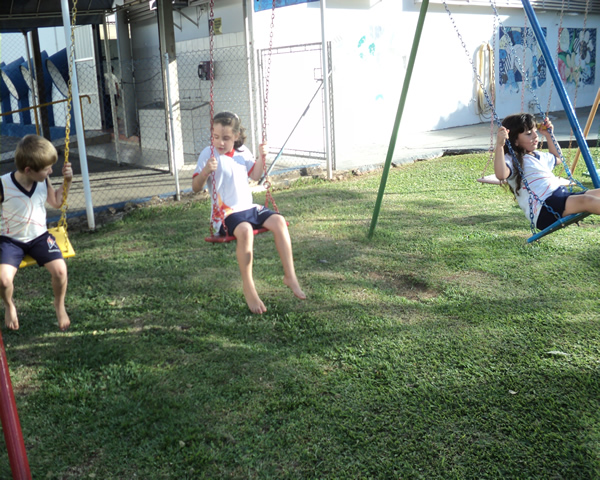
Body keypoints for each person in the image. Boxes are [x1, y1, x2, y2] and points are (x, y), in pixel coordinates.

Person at [192, 111, 306, 314]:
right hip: (225, 214)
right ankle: (248, 286)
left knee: (279, 221)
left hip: (248, 207)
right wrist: (205, 172)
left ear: (236, 136)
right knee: (244, 230)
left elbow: (255, 175)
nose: (220, 142)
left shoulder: (242, 151)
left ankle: (290, 276)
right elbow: (195, 187)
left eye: (226, 138)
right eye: (216, 137)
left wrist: (262, 157)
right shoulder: (207, 154)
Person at [0, 135, 73, 331]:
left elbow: (56, 202)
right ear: (28, 170)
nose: (51, 171)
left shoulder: (43, 180)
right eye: (47, 169)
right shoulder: (3, 185)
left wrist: (67, 182)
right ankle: (9, 305)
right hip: (11, 241)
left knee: (60, 271)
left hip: (40, 236)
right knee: (4, 280)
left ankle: (59, 305)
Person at [494, 112, 600, 231]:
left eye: (535, 131)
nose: (535, 136)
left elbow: (558, 158)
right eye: (528, 134)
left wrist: (549, 135)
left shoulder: (538, 156)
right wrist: (500, 146)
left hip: (560, 197)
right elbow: (501, 174)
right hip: (544, 208)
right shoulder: (512, 159)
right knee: (587, 201)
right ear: (515, 141)